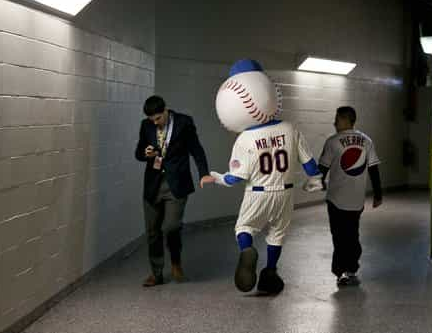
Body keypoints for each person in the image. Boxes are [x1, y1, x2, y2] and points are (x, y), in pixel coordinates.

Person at [202, 59, 323, 294]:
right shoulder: (290, 128)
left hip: (257, 193)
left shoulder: (244, 139)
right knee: (277, 235)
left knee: (244, 227)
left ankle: (247, 250)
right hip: (286, 194)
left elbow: (234, 178)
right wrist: (315, 181)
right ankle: (270, 272)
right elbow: (310, 166)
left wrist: (216, 177)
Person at [135, 95, 210, 287]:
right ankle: (156, 273)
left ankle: (176, 262)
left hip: (176, 184)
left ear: (166, 110)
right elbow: (138, 152)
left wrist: (204, 173)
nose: (155, 123)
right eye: (152, 120)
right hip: (153, 186)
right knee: (152, 232)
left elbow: (196, 149)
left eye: (158, 118)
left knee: (171, 227)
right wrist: (146, 153)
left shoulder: (184, 123)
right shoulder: (146, 126)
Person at [318, 106, 383, 286]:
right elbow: (374, 169)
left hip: (336, 199)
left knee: (339, 236)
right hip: (356, 200)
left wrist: (318, 181)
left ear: (347, 120)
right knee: (352, 234)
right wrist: (378, 194)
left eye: (337, 119)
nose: (334, 122)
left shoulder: (332, 142)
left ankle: (341, 272)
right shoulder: (366, 141)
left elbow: (322, 168)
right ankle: (351, 269)